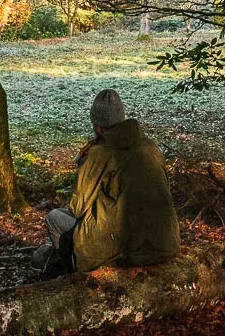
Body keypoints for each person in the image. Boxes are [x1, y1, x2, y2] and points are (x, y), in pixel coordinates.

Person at [32, 89, 180, 277]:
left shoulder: (99, 154)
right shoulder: (150, 147)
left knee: (54, 218)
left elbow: (77, 208)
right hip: (165, 242)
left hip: (125, 245)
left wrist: (83, 164)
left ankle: (70, 274)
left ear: (98, 126)